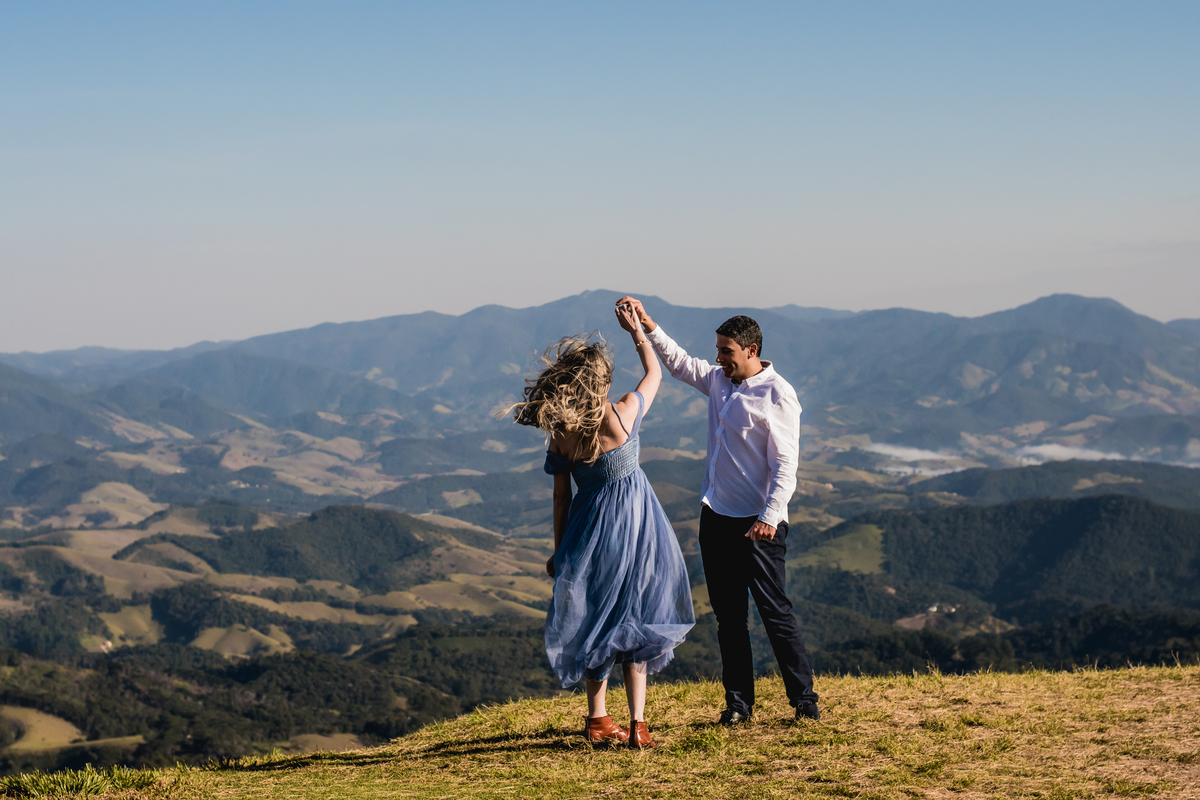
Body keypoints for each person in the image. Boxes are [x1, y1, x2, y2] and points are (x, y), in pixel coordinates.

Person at [614, 295, 820, 725]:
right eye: (718, 350)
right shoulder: (720, 381)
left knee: (775, 613)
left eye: (726, 351)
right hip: (716, 517)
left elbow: (786, 464)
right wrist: (648, 326)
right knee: (729, 620)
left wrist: (769, 516)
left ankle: (804, 701)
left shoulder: (778, 395)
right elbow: (679, 363)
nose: (718, 358)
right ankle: (738, 705)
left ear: (751, 351)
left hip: (758, 525)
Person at [507, 303, 695, 748]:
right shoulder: (624, 413)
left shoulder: (561, 433)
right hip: (637, 529)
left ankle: (597, 719)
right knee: (636, 618)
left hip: (588, 532)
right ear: (602, 382)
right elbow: (655, 375)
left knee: (596, 617)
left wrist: (561, 549)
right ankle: (638, 725)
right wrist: (637, 333)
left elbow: (561, 496)